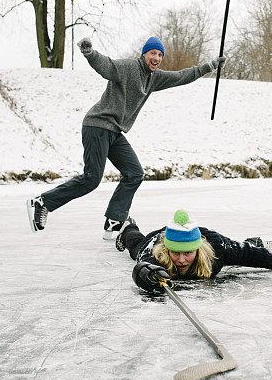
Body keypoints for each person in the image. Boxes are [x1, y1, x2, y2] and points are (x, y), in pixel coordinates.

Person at [27, 36, 226, 238]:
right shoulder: (129, 67)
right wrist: (90, 53)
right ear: (144, 54)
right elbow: (107, 66)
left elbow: (181, 76)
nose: (156, 58)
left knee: (134, 173)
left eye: (159, 55)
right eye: (152, 54)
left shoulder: (154, 78)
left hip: (114, 132)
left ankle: (115, 219)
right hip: (97, 126)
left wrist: (209, 66)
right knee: (91, 179)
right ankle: (43, 202)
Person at [116, 209, 272, 292]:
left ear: (197, 250)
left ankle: (255, 242)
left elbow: (247, 255)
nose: (181, 260)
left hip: (207, 237)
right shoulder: (156, 252)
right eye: (175, 253)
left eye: (187, 253)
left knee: (240, 251)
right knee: (135, 245)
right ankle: (128, 227)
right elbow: (144, 265)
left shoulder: (216, 248)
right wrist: (147, 274)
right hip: (158, 237)